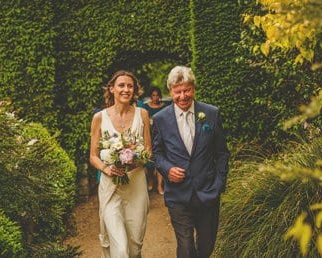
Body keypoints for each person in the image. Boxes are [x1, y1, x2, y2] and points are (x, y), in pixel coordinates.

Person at [152, 66, 230, 258]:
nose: (183, 96)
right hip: (178, 195)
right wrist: (167, 169)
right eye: (178, 92)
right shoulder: (160, 119)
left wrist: (219, 184)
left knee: (206, 247)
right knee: (186, 247)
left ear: (194, 89)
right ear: (170, 91)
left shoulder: (211, 113)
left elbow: (222, 153)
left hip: (208, 192)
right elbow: (156, 153)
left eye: (187, 90)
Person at [89, 70, 151, 257]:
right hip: (110, 188)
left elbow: (148, 149)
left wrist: (136, 161)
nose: (126, 89)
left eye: (130, 86)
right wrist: (106, 169)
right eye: (121, 85)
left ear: (135, 90)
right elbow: (93, 156)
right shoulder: (99, 118)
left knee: (134, 245)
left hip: (136, 186)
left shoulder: (143, 115)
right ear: (112, 89)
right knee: (120, 249)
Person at [138, 86, 167, 195]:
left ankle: (159, 185)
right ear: (151, 96)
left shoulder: (164, 107)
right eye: (153, 95)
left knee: (160, 159)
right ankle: (150, 180)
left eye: (157, 95)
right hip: (148, 134)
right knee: (148, 160)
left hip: (160, 135)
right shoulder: (145, 107)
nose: (155, 97)